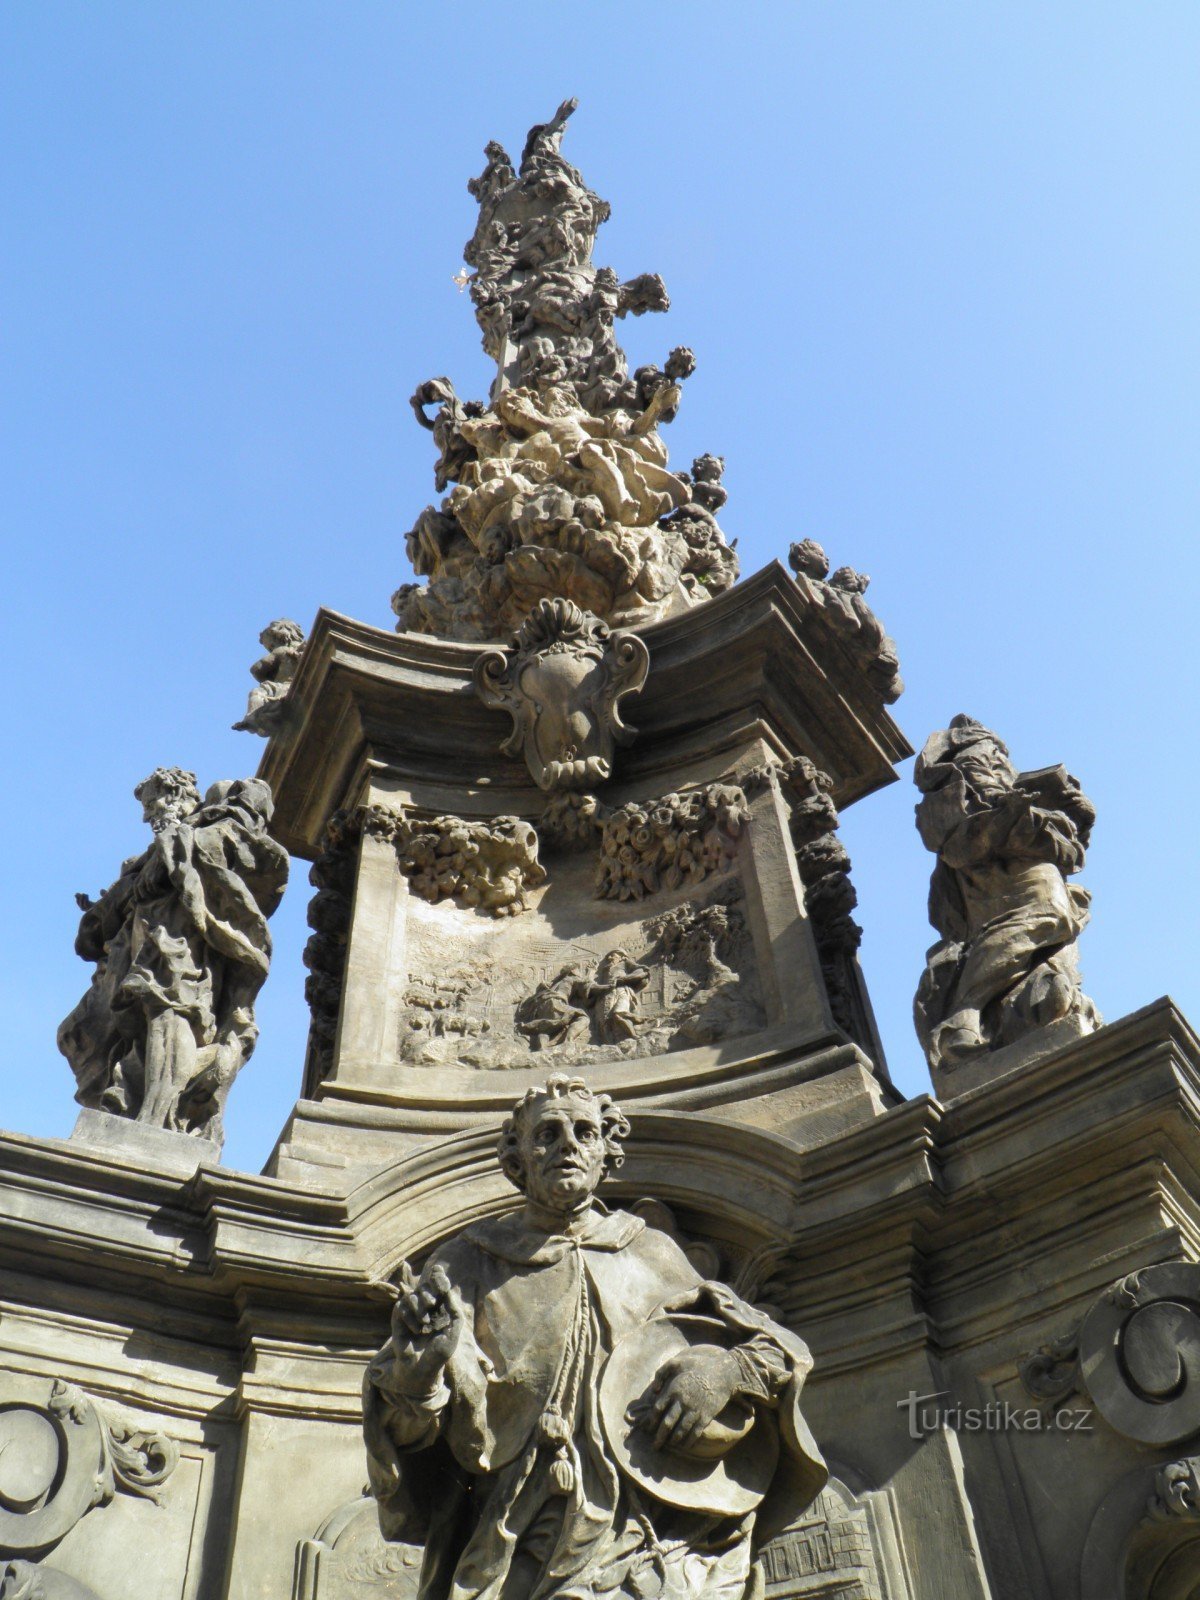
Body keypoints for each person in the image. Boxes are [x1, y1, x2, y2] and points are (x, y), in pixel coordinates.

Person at [363, 1074, 825, 1600]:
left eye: (585, 1133)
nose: (568, 1146)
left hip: (661, 1527)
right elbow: (408, 1431)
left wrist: (726, 1373)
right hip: (520, 1528)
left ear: (607, 1154)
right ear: (516, 1160)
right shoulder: (466, 1262)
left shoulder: (648, 1252)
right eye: (548, 1134)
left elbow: (777, 1350)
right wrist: (420, 1369)